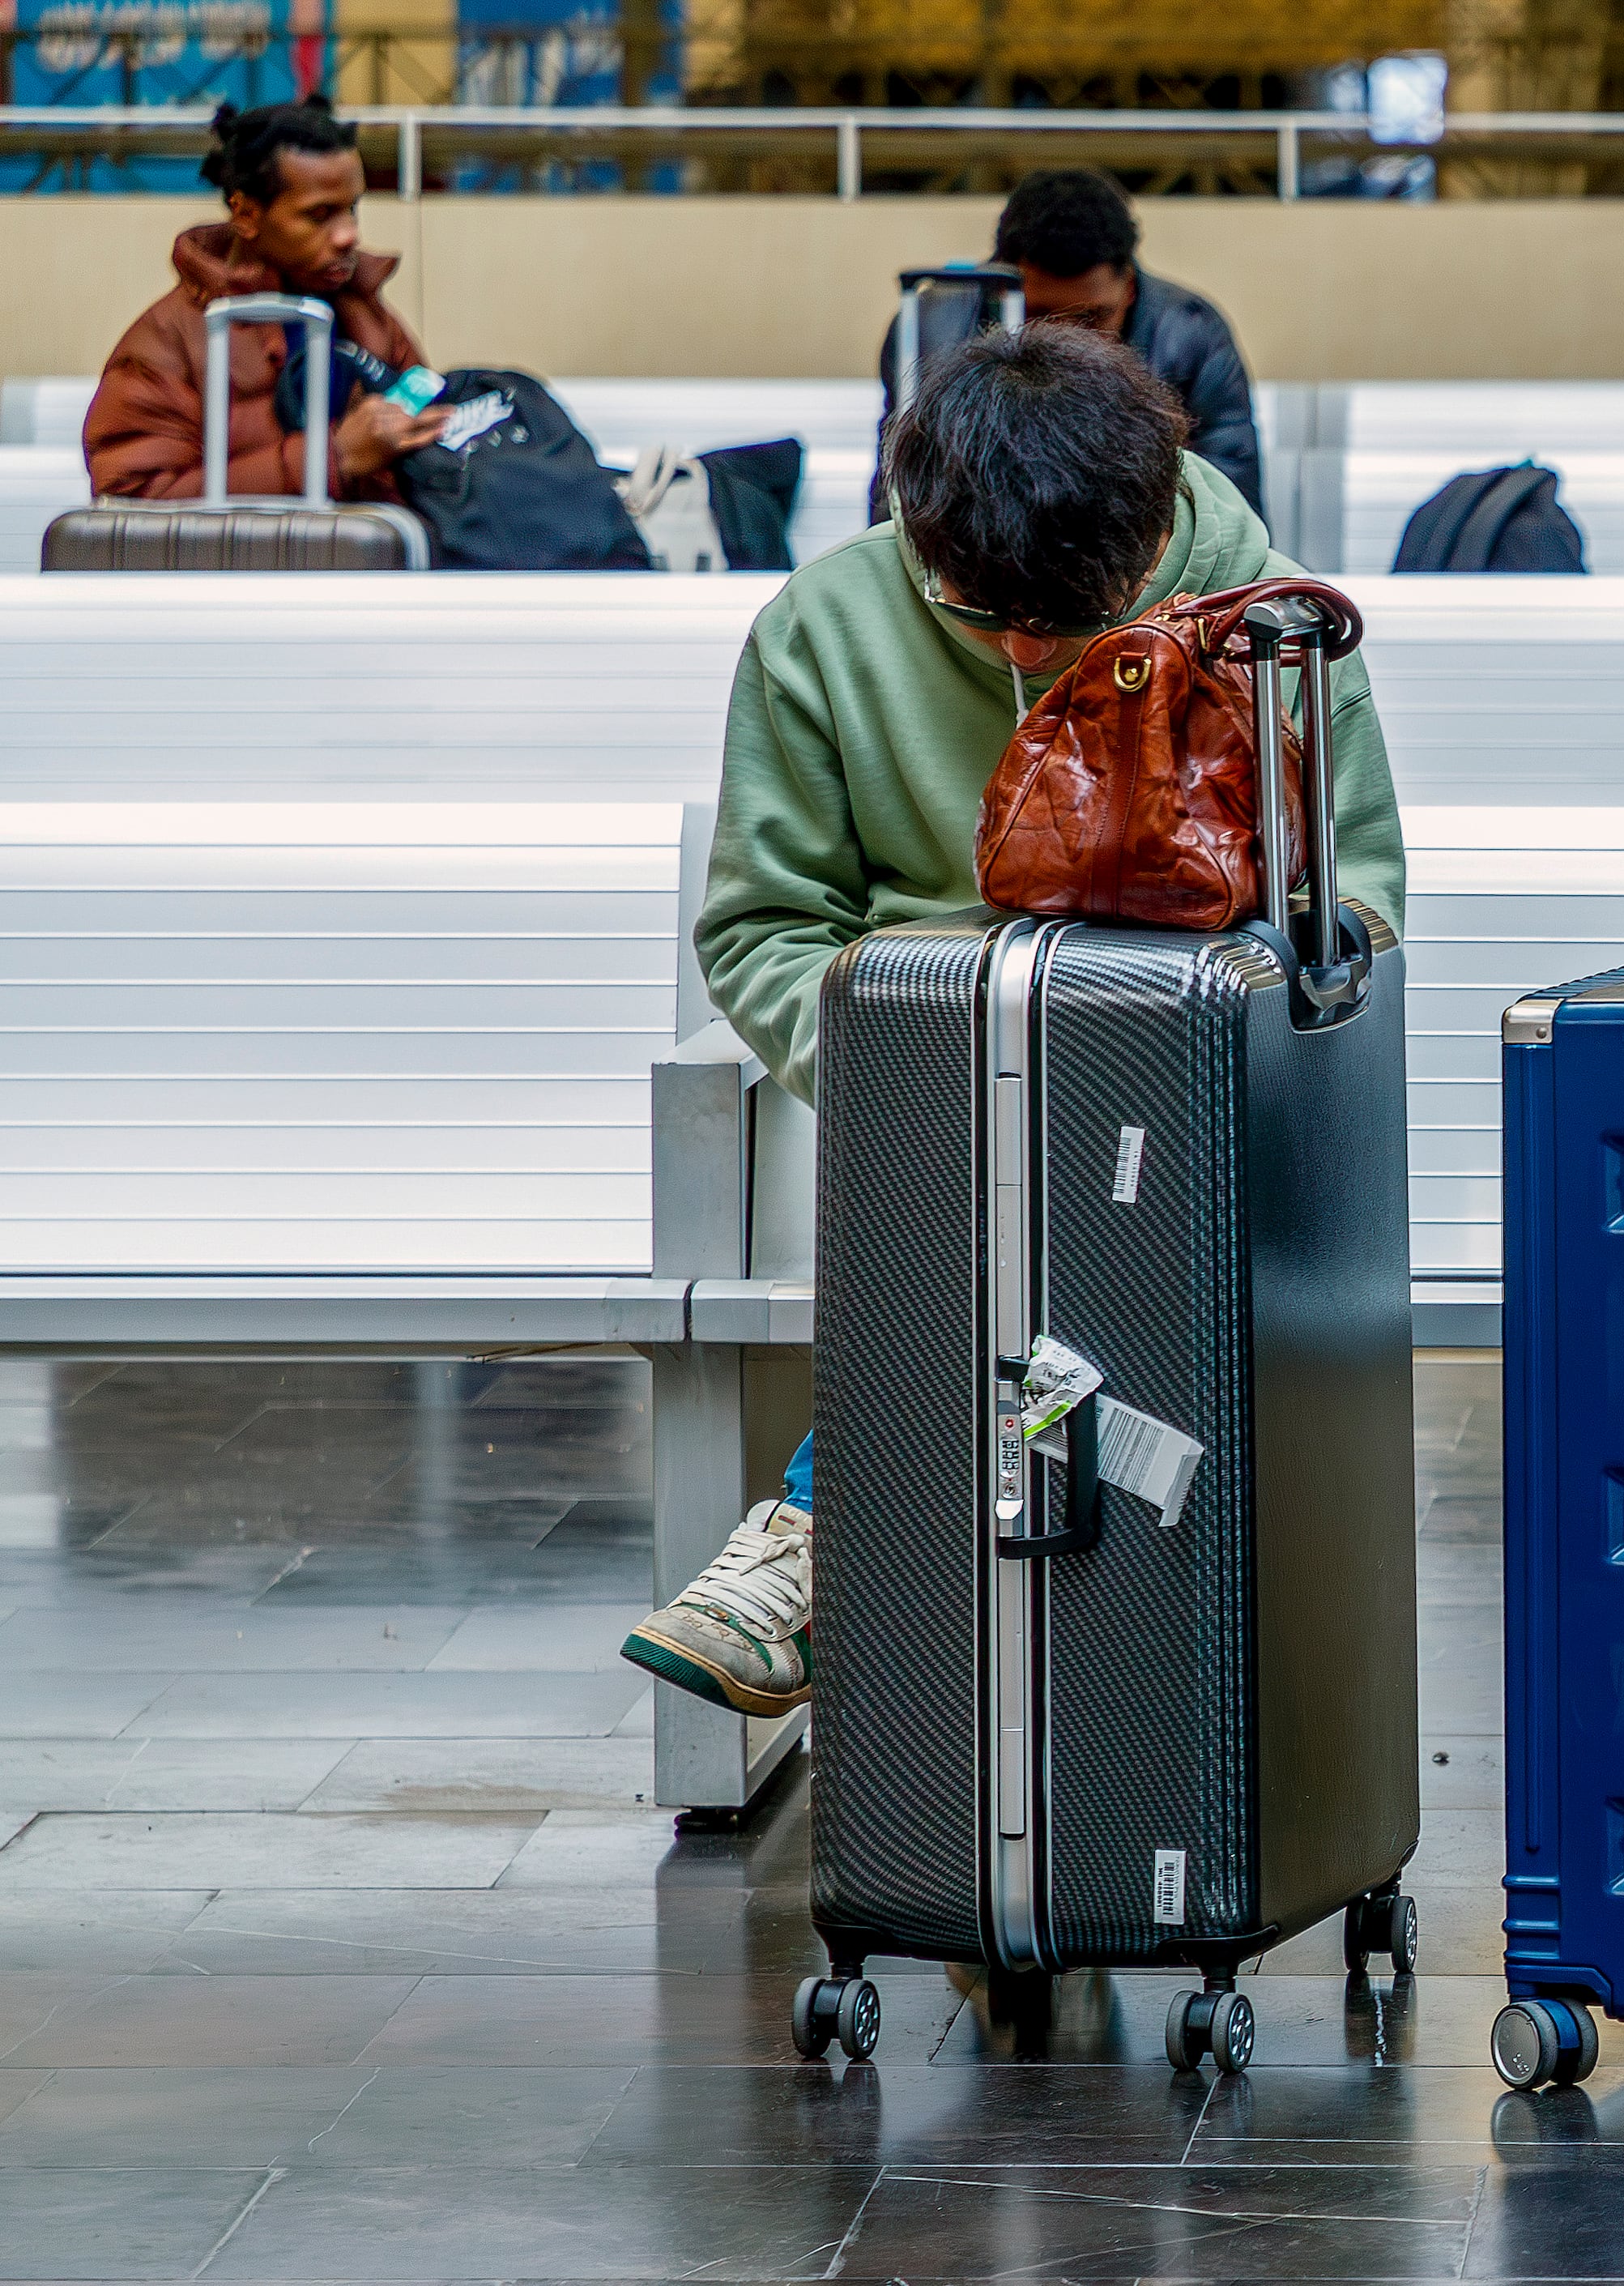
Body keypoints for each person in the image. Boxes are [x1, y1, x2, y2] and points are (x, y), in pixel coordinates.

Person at [625, 325, 1407, 1718]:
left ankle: (825, 1523)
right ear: (922, 527)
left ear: (1151, 528)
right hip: (932, 1091)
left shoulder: (1266, 627)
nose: (1033, 652)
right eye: (994, 620)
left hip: (1196, 1090)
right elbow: (761, 929)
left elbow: (1360, 911)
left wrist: (1171, 1022)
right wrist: (928, 1052)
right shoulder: (826, 630)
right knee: (1002, 1158)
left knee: (1067, 1176)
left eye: (1069, 620)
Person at [87, 95, 449, 501]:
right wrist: (333, 458)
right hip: (245, 565)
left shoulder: (368, 317)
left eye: (352, 209)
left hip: (359, 562)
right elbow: (133, 502)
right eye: (319, 214)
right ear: (245, 215)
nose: (350, 235)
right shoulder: (168, 341)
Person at [877, 166, 1261, 513]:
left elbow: (1231, 499)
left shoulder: (1191, 334)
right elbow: (899, 491)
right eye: (1040, 316)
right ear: (1000, 291)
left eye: (1091, 317)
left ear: (1128, 287)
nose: (1067, 338)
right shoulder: (929, 330)